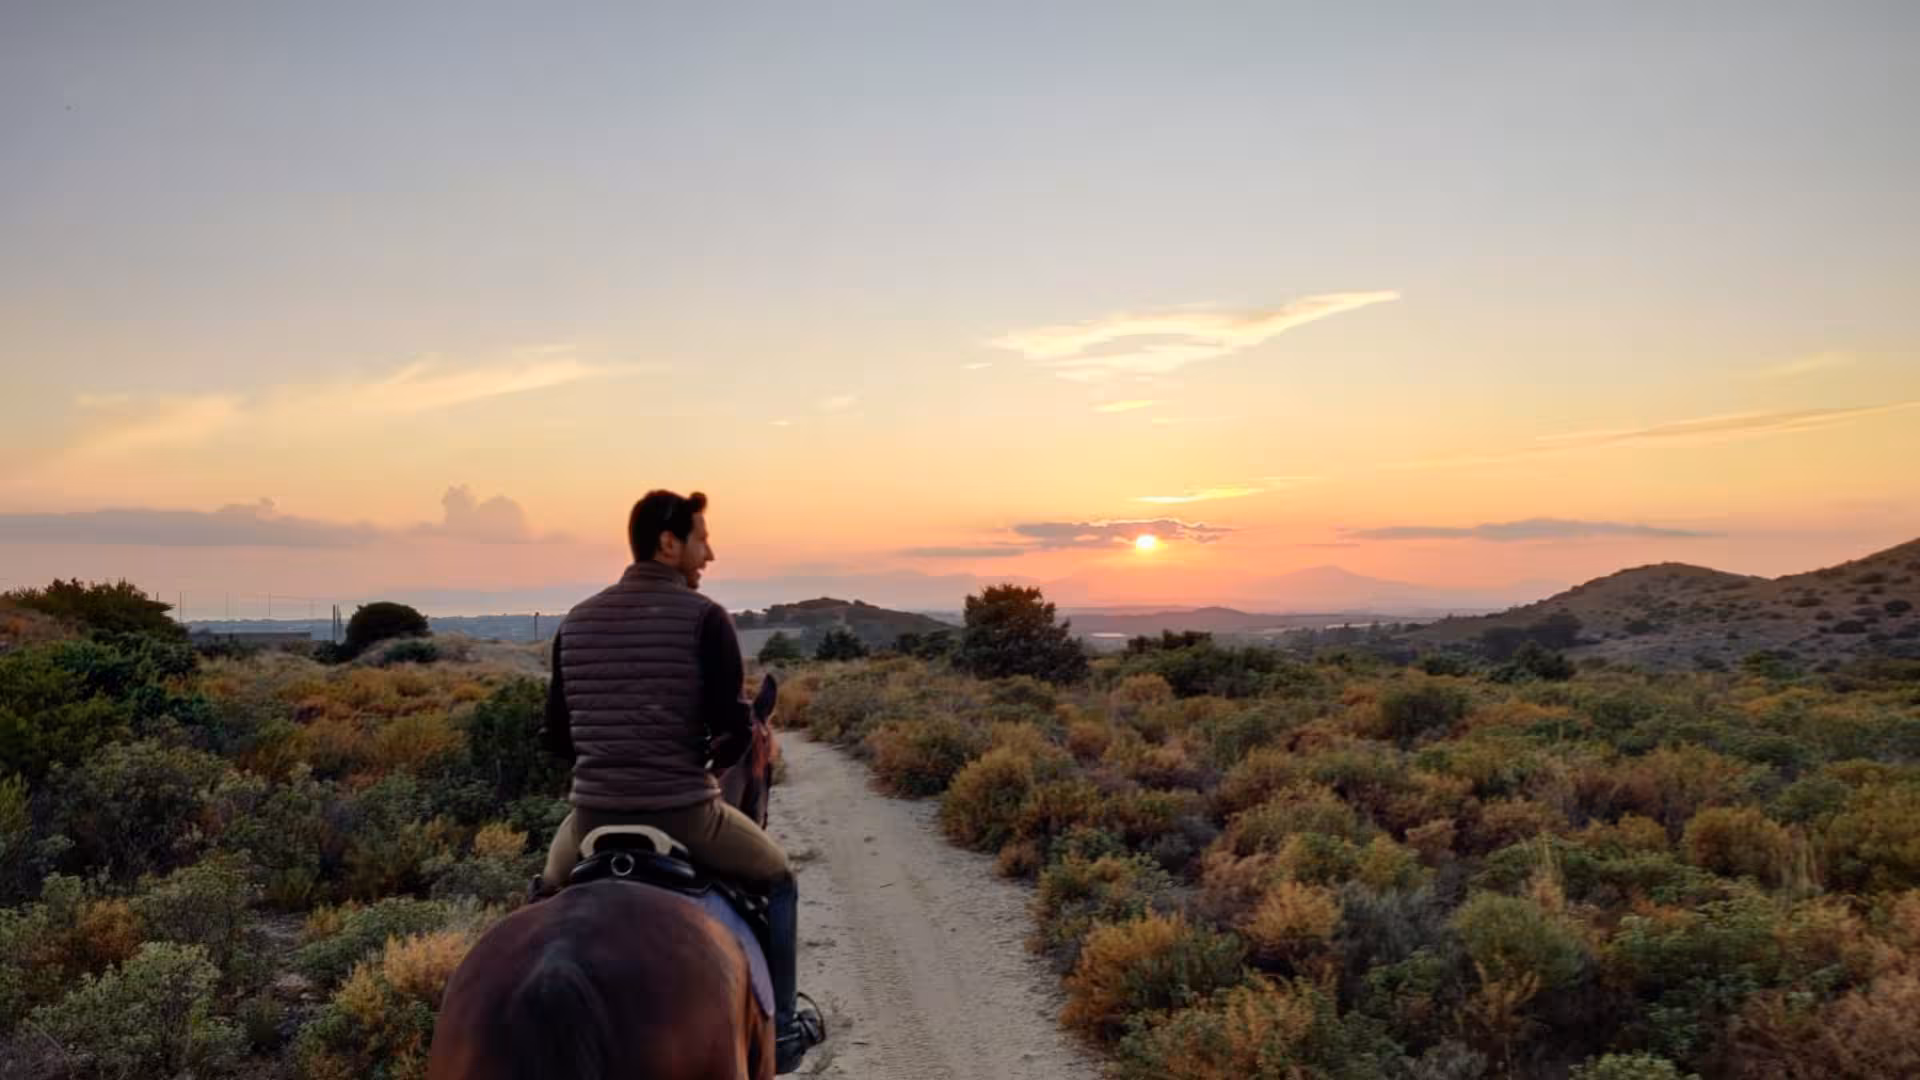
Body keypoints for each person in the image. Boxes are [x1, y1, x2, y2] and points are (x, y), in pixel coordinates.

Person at [538, 489, 824, 1073]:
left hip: (590, 819)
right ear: (668, 543)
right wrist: (694, 762)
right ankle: (785, 1031)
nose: (709, 555)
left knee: (542, 900)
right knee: (780, 879)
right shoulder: (705, 618)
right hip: (685, 815)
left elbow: (558, 739)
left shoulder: (577, 621)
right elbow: (734, 734)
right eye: (702, 540)